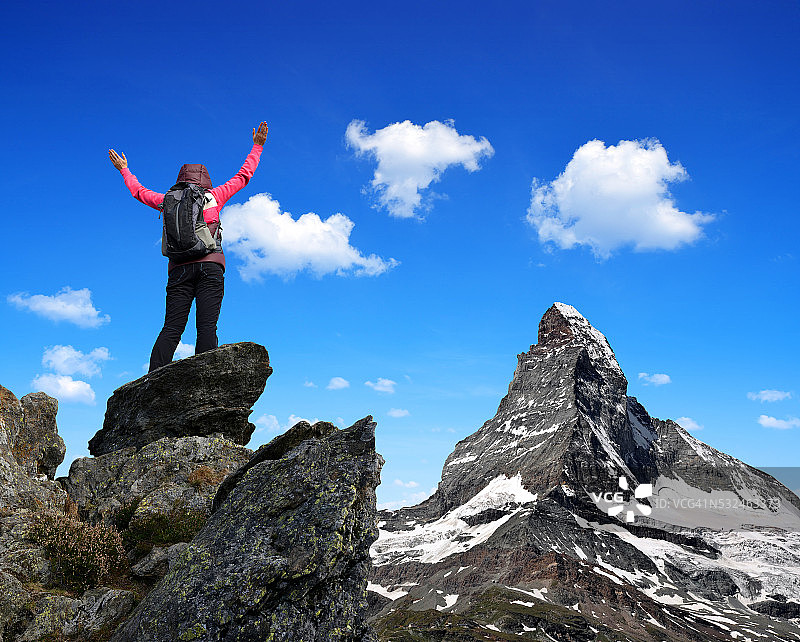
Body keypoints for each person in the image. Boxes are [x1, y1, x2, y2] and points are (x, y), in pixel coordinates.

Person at [109, 122, 268, 372]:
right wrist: (257, 146)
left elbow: (138, 192)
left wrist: (124, 170)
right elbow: (243, 176)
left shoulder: (167, 200)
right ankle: (204, 380)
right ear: (204, 180)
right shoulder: (215, 196)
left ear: (180, 180)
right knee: (206, 326)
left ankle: (153, 379)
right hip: (210, 266)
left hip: (178, 270)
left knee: (172, 327)